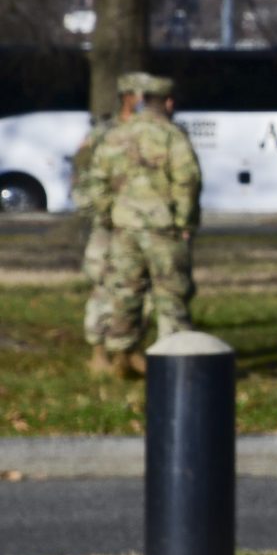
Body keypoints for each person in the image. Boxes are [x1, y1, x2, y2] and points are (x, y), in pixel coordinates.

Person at [85, 72, 201, 379]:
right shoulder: (171, 135)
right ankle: (174, 362)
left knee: (124, 294)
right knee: (171, 294)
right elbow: (187, 180)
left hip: (123, 228)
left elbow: (97, 179)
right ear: (168, 102)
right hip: (163, 230)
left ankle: (121, 356)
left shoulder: (117, 134)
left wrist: (109, 214)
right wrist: (184, 222)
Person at [71, 108, 114, 356]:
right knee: (102, 285)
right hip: (104, 228)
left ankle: (122, 349)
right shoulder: (91, 147)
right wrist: (103, 212)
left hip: (124, 226)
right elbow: (83, 195)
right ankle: (99, 349)